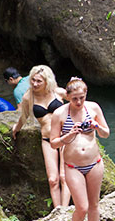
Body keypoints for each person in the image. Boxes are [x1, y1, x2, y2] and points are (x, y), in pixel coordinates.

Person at [51, 77, 109, 221]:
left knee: (94, 204)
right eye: (74, 98)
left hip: (94, 163)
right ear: (67, 96)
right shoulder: (59, 114)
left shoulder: (93, 108)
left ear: (86, 95)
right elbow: (53, 143)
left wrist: (96, 125)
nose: (78, 102)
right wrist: (68, 135)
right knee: (82, 206)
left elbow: (106, 133)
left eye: (82, 97)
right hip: (73, 166)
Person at [11, 65, 71, 208]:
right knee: (52, 179)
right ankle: (58, 211)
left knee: (64, 176)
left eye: (39, 81)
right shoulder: (28, 97)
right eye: (33, 80)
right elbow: (23, 117)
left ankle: (65, 211)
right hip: (47, 139)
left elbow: (78, 100)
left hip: (65, 137)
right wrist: (16, 128)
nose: (35, 84)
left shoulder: (57, 92)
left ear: (47, 81)